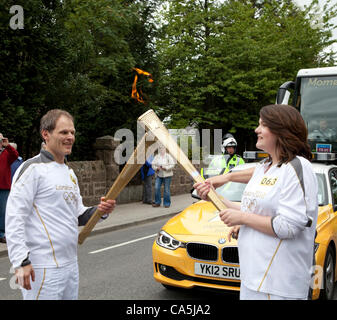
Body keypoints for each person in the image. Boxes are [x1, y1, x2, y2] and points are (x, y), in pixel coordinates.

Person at [194, 104, 318, 300]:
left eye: (263, 125)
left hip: (280, 285)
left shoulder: (298, 167)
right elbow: (249, 210)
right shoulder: (264, 167)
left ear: (280, 130)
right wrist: (214, 198)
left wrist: (242, 218)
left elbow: (288, 226)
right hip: (252, 279)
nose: (256, 130)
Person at [5, 109, 116, 300]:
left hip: (70, 264)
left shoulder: (69, 172)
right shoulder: (32, 169)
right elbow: (14, 217)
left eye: (72, 132)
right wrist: (21, 262)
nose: (70, 137)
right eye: (64, 132)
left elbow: (78, 214)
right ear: (45, 134)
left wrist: (100, 211)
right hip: (42, 267)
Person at [0, 133, 18, 243]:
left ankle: (1, 234)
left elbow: (15, 155)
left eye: (1, 140)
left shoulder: (7, 153)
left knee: (2, 212)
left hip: (4, 186)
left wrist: (7, 145)